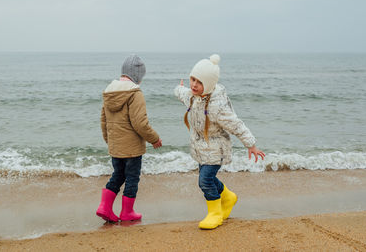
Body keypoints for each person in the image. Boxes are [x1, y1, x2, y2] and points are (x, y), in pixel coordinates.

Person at [174, 54, 265, 229]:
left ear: (208, 84)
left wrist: (251, 144)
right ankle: (229, 197)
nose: (193, 84)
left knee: (205, 181)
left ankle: (215, 214)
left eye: (199, 82)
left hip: (217, 149)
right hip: (201, 148)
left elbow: (236, 124)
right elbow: (182, 94)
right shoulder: (193, 96)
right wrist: (178, 88)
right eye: (192, 79)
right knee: (208, 178)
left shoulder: (217, 107)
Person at [96, 54, 162, 223]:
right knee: (132, 178)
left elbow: (103, 121)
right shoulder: (135, 93)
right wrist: (154, 138)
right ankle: (127, 212)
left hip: (116, 146)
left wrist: (109, 141)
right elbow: (140, 123)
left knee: (118, 175)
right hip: (132, 148)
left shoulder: (109, 92)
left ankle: (104, 207)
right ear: (138, 76)